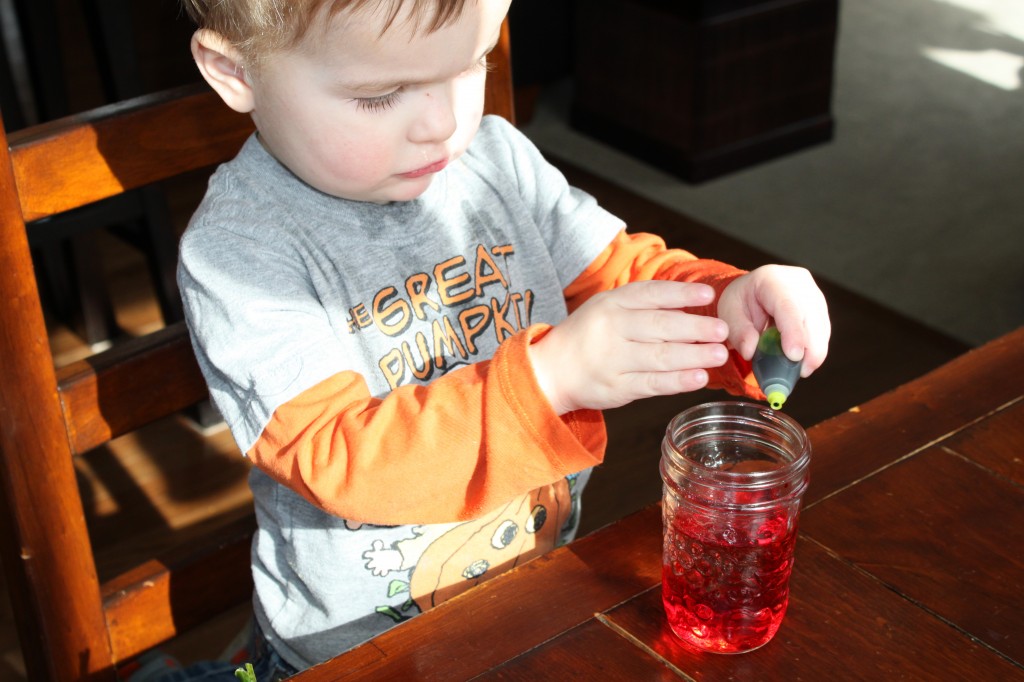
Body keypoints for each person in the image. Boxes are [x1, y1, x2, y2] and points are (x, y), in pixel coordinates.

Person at [168, 0, 830, 678]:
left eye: (469, 65)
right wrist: (549, 382)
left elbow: (624, 273)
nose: (443, 123)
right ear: (235, 71)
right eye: (380, 95)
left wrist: (729, 306)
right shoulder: (241, 250)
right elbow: (336, 455)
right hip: (362, 655)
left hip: (531, 606)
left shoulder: (494, 159)